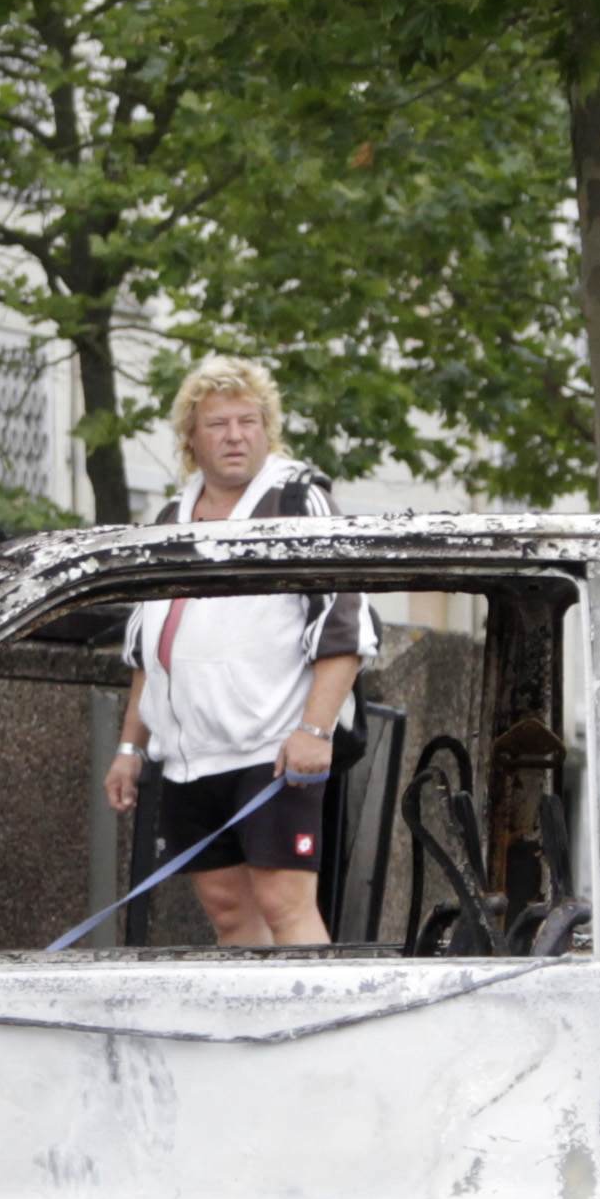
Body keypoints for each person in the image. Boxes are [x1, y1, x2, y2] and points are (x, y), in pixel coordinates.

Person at [101, 356, 376, 947]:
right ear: (190, 440)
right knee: (229, 912)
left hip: (270, 748)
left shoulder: (297, 500)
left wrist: (315, 732)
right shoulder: (170, 517)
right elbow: (149, 652)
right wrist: (131, 747)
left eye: (248, 422)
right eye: (218, 424)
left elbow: (345, 626)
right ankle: (256, 1031)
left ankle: (323, 1036)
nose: (234, 436)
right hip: (189, 755)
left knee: (286, 904)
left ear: (267, 429)